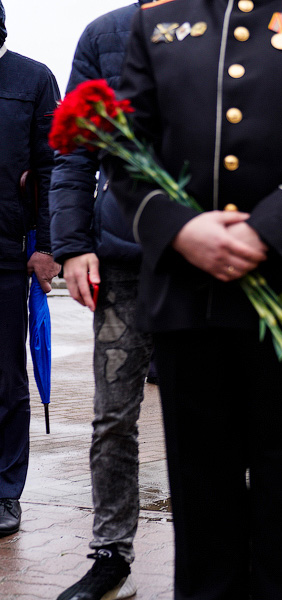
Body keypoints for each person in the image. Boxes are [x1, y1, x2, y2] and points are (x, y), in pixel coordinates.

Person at [101, 0, 282, 597]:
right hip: (190, 303)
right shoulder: (155, 22)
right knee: (202, 509)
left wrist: (270, 229)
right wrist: (180, 228)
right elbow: (124, 151)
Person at [49, 3, 154, 599]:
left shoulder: (228, 28)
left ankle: (217, 553)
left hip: (206, 265)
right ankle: (110, 555)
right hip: (121, 260)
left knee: (214, 418)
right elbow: (74, 153)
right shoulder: (104, 35)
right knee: (113, 415)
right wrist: (72, 245)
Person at [0, 0, 61, 539]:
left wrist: (48, 245)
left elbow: (53, 165)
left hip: (7, 252)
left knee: (6, 377)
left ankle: (4, 492)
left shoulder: (33, 78)